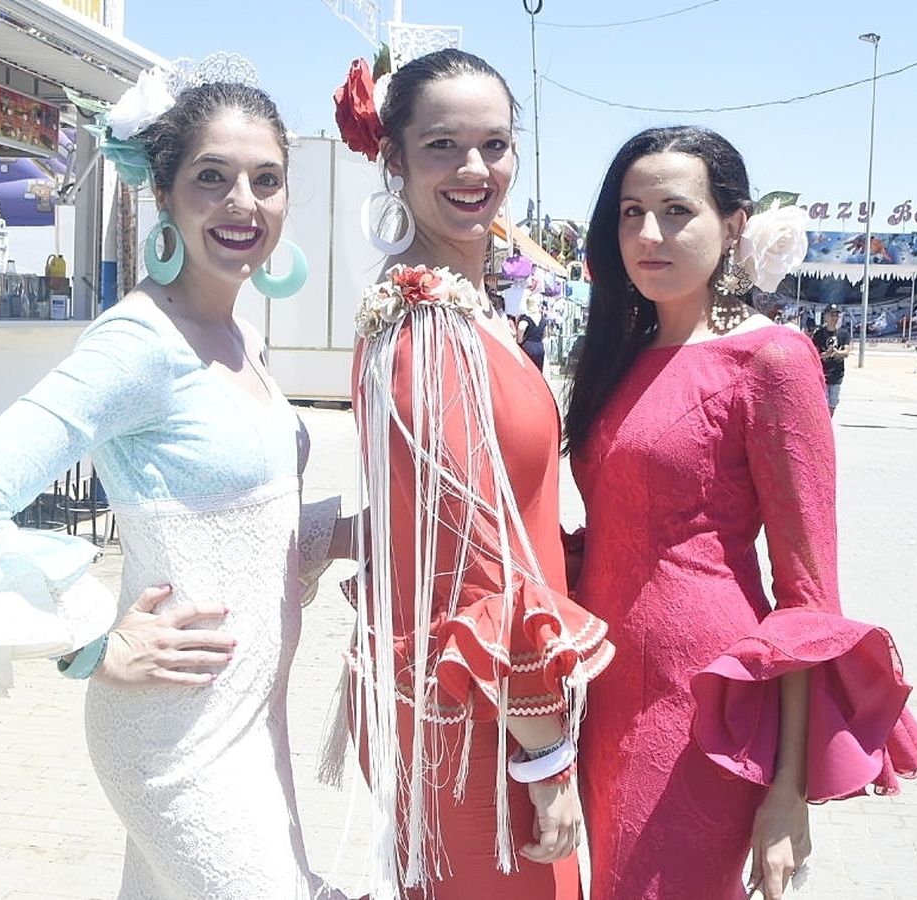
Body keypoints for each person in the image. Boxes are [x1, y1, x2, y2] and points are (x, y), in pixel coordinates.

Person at [0, 72, 352, 898]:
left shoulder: (241, 335)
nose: (242, 202)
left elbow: (241, 523)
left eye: (266, 180)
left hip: (252, 723)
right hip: (172, 737)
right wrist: (92, 638)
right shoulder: (139, 341)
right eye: (211, 176)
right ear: (163, 191)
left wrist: (361, 532)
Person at [562, 126, 917, 900]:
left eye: (675, 211)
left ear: (733, 224)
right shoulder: (619, 353)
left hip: (700, 697)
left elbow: (808, 594)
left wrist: (787, 791)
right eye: (630, 213)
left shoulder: (772, 359)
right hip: (599, 688)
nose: (648, 235)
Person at [341, 48, 613, 898]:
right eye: (442, 146)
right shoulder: (428, 328)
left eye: (495, 145)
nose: (474, 169)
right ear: (393, 159)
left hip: (473, 708)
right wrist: (547, 759)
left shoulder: (460, 305)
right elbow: (475, 565)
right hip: (486, 725)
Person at [812, 305, 851, 416]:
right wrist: (826, 355)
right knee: (822, 403)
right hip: (822, 374)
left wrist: (837, 353)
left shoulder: (844, 333)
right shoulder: (819, 334)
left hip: (837, 374)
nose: (834, 318)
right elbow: (814, 355)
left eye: (836, 315)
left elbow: (846, 352)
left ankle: (828, 424)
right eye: (831, 315)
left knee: (833, 402)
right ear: (826, 316)